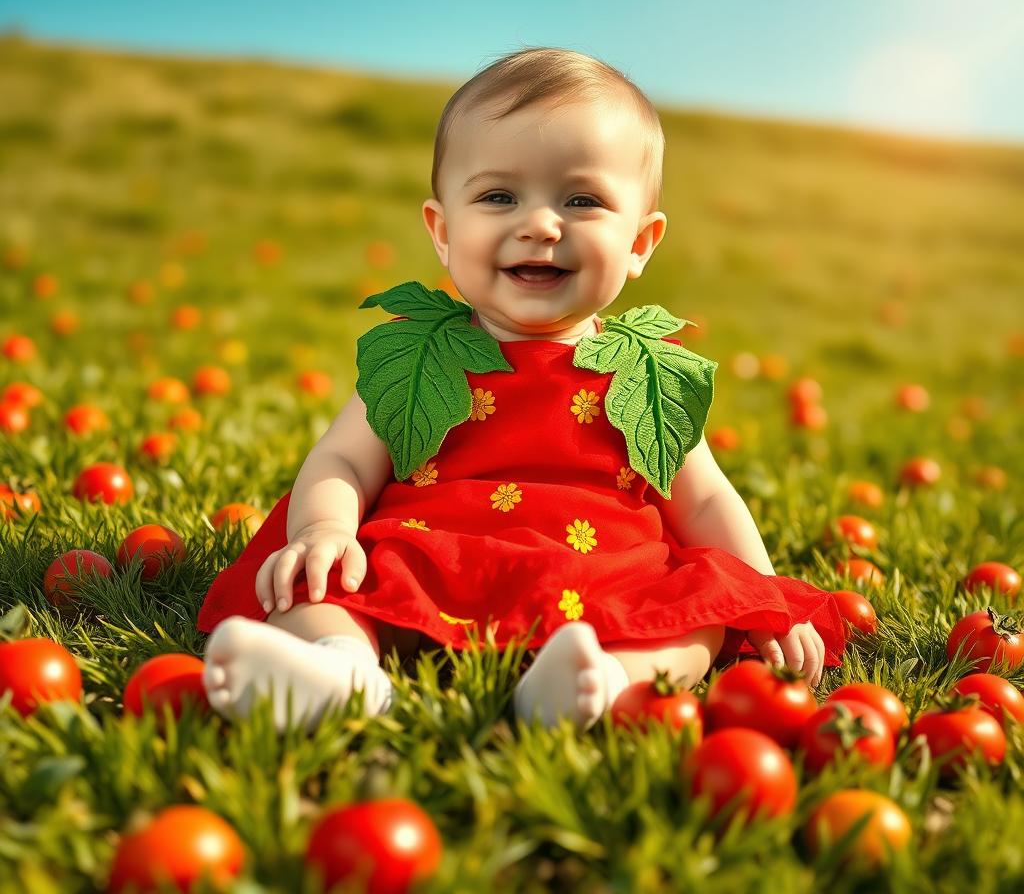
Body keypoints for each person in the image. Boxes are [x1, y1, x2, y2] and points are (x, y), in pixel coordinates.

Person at [197, 46, 846, 733]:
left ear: (640, 243)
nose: (540, 224)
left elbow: (705, 495)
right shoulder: (418, 353)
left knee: (695, 615)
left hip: (603, 571)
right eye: (499, 196)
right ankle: (342, 669)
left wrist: (767, 593)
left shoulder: (646, 370)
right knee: (317, 578)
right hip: (428, 553)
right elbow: (343, 460)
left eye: (583, 199)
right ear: (444, 232)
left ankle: (602, 682)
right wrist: (325, 529)